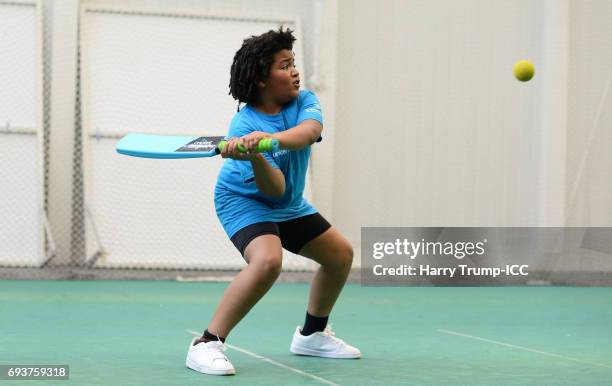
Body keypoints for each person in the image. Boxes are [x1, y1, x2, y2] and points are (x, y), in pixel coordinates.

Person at [186, 27, 360, 376]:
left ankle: (312, 335)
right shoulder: (243, 124)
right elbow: (273, 189)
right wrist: (253, 156)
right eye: (284, 65)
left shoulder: (305, 101)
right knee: (267, 262)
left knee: (340, 255)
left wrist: (270, 141)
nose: (294, 71)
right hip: (244, 201)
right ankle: (207, 343)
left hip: (290, 203)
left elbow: (308, 133)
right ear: (262, 78)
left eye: (293, 63)